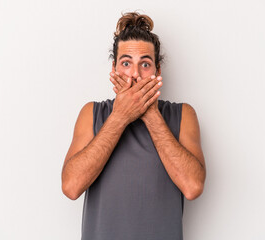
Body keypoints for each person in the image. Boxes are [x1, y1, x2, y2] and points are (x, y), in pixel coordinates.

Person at [61, 11, 206, 240]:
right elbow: (71, 186)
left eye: (145, 64)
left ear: (158, 71)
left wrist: (149, 113)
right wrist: (120, 117)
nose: (135, 75)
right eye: (126, 63)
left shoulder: (183, 115)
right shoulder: (92, 113)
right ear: (114, 69)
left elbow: (193, 186)